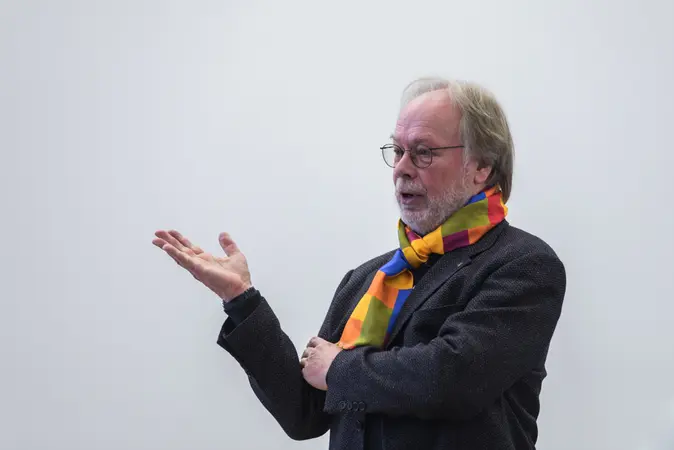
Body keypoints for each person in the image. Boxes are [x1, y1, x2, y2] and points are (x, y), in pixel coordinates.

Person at [152, 77, 567, 450]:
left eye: (423, 152)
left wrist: (338, 366)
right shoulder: (369, 279)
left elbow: (451, 378)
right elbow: (305, 413)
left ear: (482, 166)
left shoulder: (522, 264)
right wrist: (241, 299)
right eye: (399, 151)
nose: (402, 169)